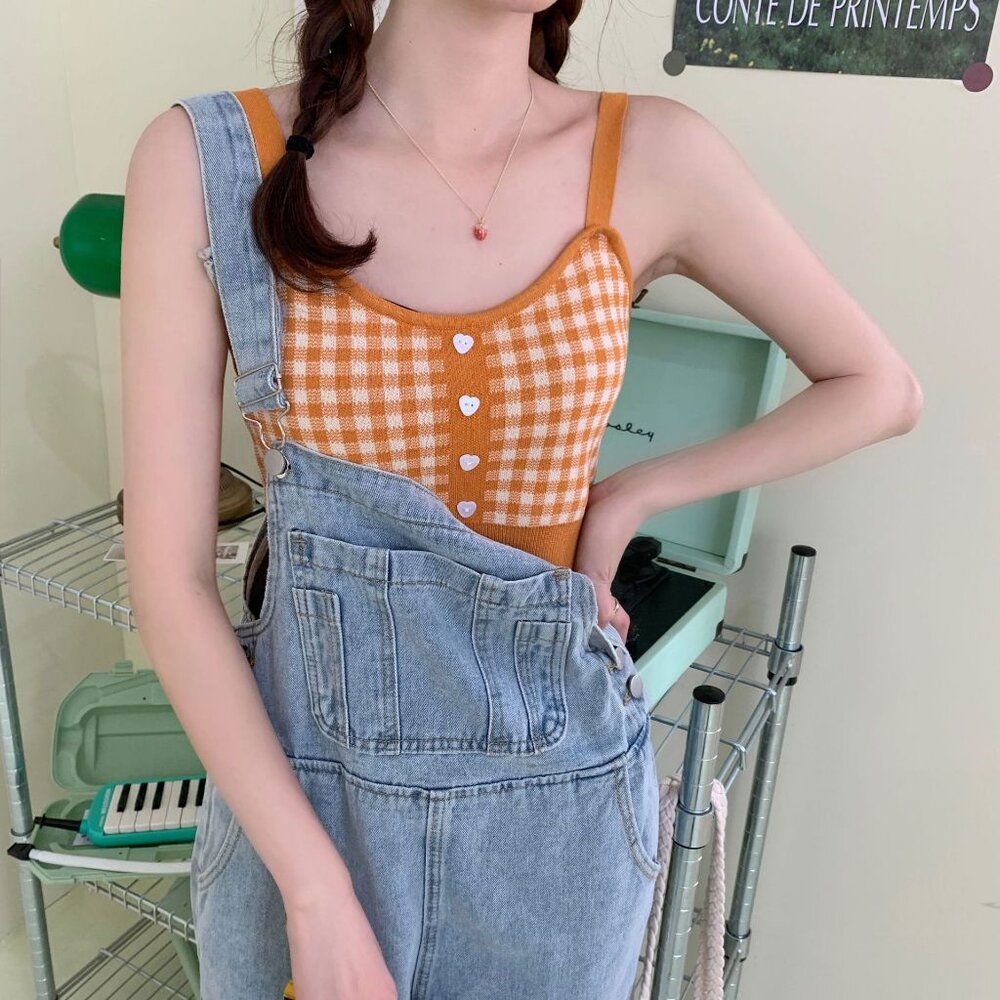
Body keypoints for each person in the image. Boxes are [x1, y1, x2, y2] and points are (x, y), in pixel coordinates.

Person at [120, 2, 922, 998]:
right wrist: (314, 893)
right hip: (302, 818)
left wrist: (630, 494)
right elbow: (168, 580)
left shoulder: (652, 155)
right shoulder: (207, 158)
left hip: (560, 829)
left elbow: (879, 387)